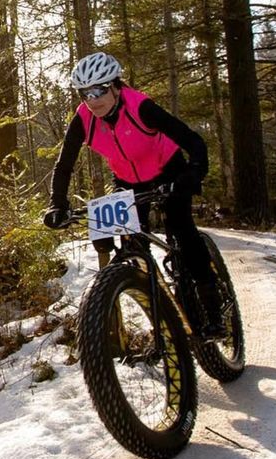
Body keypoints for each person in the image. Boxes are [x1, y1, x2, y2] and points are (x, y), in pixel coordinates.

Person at [43, 51, 225, 337]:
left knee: (182, 230)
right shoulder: (83, 119)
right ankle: (162, 320)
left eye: (99, 89)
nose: (93, 100)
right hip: (128, 180)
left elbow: (192, 140)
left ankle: (214, 310)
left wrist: (194, 172)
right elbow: (64, 165)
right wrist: (57, 203)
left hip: (169, 170)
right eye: (85, 93)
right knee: (131, 245)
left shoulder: (141, 107)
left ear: (115, 86)